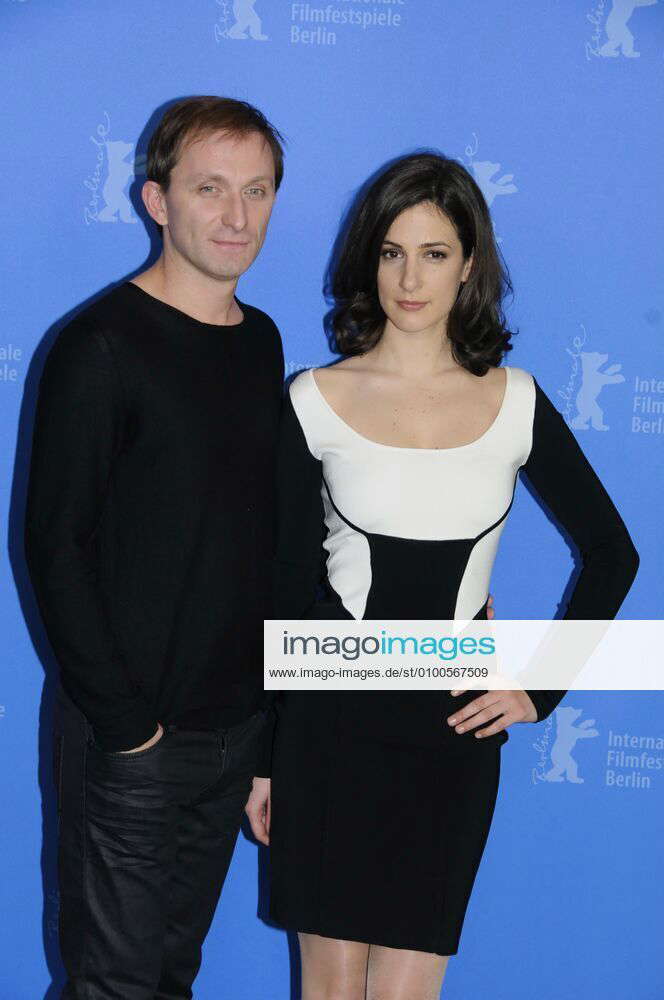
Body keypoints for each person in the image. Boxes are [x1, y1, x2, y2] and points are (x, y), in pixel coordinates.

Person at [245, 152, 640, 1000]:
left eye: (433, 252)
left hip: (450, 732)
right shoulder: (313, 397)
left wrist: (540, 690)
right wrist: (265, 760)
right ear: (367, 261)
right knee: (329, 985)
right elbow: (281, 585)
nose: (410, 277)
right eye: (391, 252)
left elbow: (615, 554)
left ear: (470, 263)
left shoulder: (517, 402)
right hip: (326, 723)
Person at [25, 95, 286, 999]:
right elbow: (52, 547)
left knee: (171, 979)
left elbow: (264, 549)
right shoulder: (98, 346)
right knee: (116, 986)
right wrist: (127, 730)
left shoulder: (263, 344)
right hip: (128, 741)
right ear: (155, 200)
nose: (237, 215)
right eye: (210, 188)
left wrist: (266, 743)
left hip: (231, 735)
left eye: (256, 191)